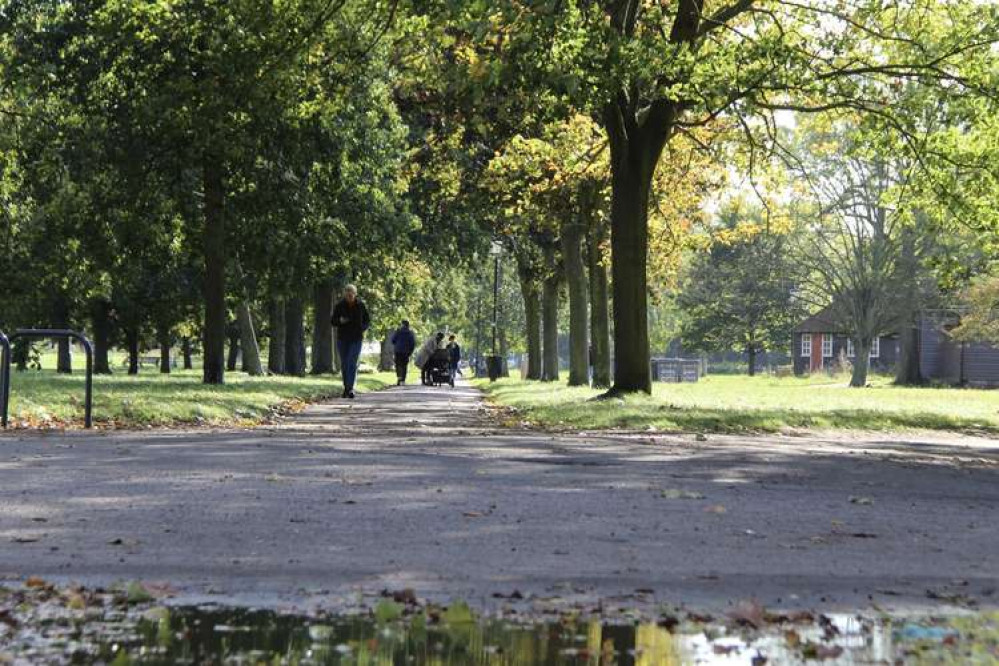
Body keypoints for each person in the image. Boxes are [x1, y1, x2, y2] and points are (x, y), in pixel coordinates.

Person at [331, 284, 370, 399]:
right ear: (344, 294)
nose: (349, 296)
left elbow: (367, 320)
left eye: (351, 293)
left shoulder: (360, 305)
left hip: (356, 338)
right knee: (344, 363)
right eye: (347, 293)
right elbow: (333, 321)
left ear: (355, 294)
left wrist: (362, 328)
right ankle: (346, 387)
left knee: (352, 362)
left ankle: (350, 388)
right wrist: (340, 321)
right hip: (343, 338)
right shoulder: (339, 306)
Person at [390, 320, 417, 385]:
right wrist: (410, 352)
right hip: (406, 352)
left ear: (402, 325)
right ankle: (403, 380)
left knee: (398, 364)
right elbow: (413, 344)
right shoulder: (410, 333)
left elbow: (393, 340)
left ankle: (399, 377)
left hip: (398, 350)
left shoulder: (398, 331)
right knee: (404, 365)